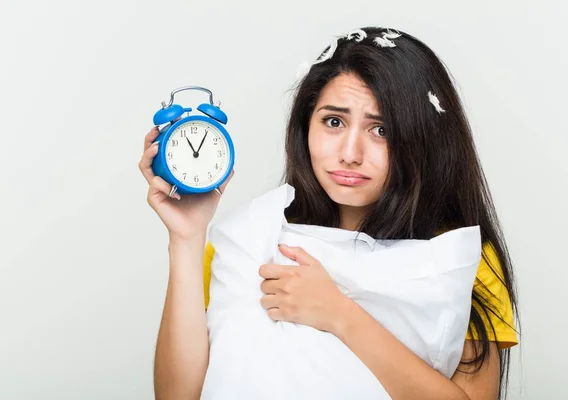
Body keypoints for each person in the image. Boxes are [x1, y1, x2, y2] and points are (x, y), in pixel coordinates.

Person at [139, 26, 519, 400]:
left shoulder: (462, 257)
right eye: (333, 122)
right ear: (306, 125)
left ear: (423, 137)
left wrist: (339, 314)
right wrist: (186, 239)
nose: (350, 152)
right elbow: (177, 396)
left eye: (381, 130)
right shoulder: (249, 242)